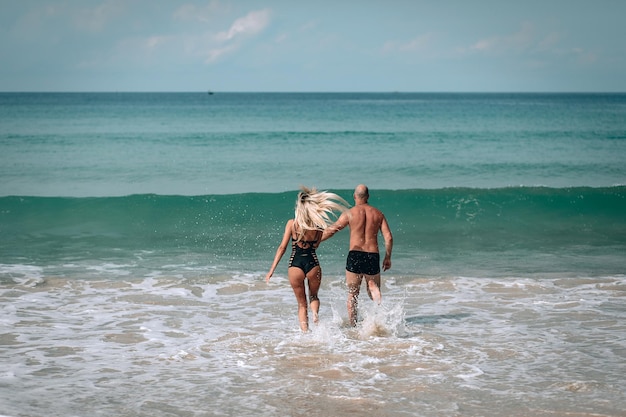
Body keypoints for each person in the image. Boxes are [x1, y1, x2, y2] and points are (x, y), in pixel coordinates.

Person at [266, 186, 349, 332]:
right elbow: (316, 245)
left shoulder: (292, 224)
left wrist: (271, 270)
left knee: (301, 304)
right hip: (313, 264)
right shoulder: (317, 227)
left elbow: (282, 248)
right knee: (314, 296)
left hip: (295, 265)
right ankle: (315, 315)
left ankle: (305, 333)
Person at [322, 184, 393, 326]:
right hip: (372, 255)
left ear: (354, 196)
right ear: (368, 197)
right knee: (373, 287)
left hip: (355, 254)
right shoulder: (378, 214)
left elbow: (332, 229)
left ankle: (353, 326)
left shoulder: (350, 213)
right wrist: (388, 257)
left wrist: (315, 241)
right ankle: (377, 319)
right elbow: (388, 237)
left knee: (353, 293)